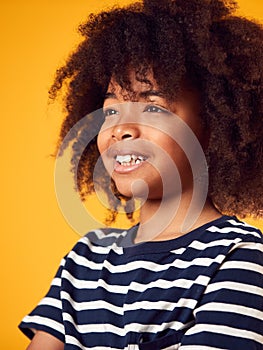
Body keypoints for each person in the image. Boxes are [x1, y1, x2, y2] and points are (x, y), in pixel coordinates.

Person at [19, 0, 263, 349]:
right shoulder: (85, 259)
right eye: (112, 109)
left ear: (215, 125)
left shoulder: (238, 257)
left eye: (152, 106)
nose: (121, 128)